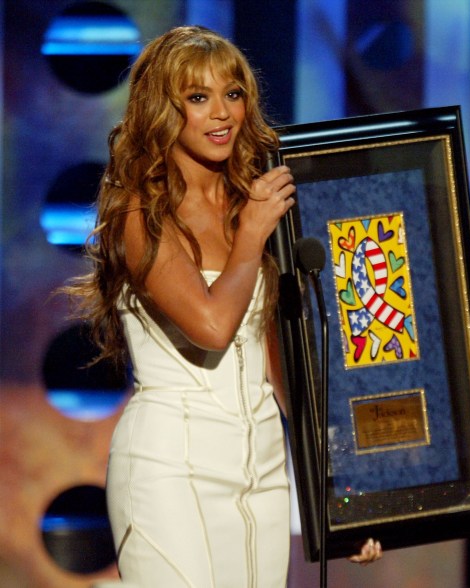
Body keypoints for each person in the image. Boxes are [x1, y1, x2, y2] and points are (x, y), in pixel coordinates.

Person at [62, 25, 380, 587]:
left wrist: (336, 493)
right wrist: (252, 234)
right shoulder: (141, 214)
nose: (222, 113)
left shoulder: (252, 203)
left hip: (261, 466)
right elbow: (211, 325)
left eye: (232, 94)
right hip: (170, 464)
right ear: (165, 109)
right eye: (198, 97)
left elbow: (280, 368)